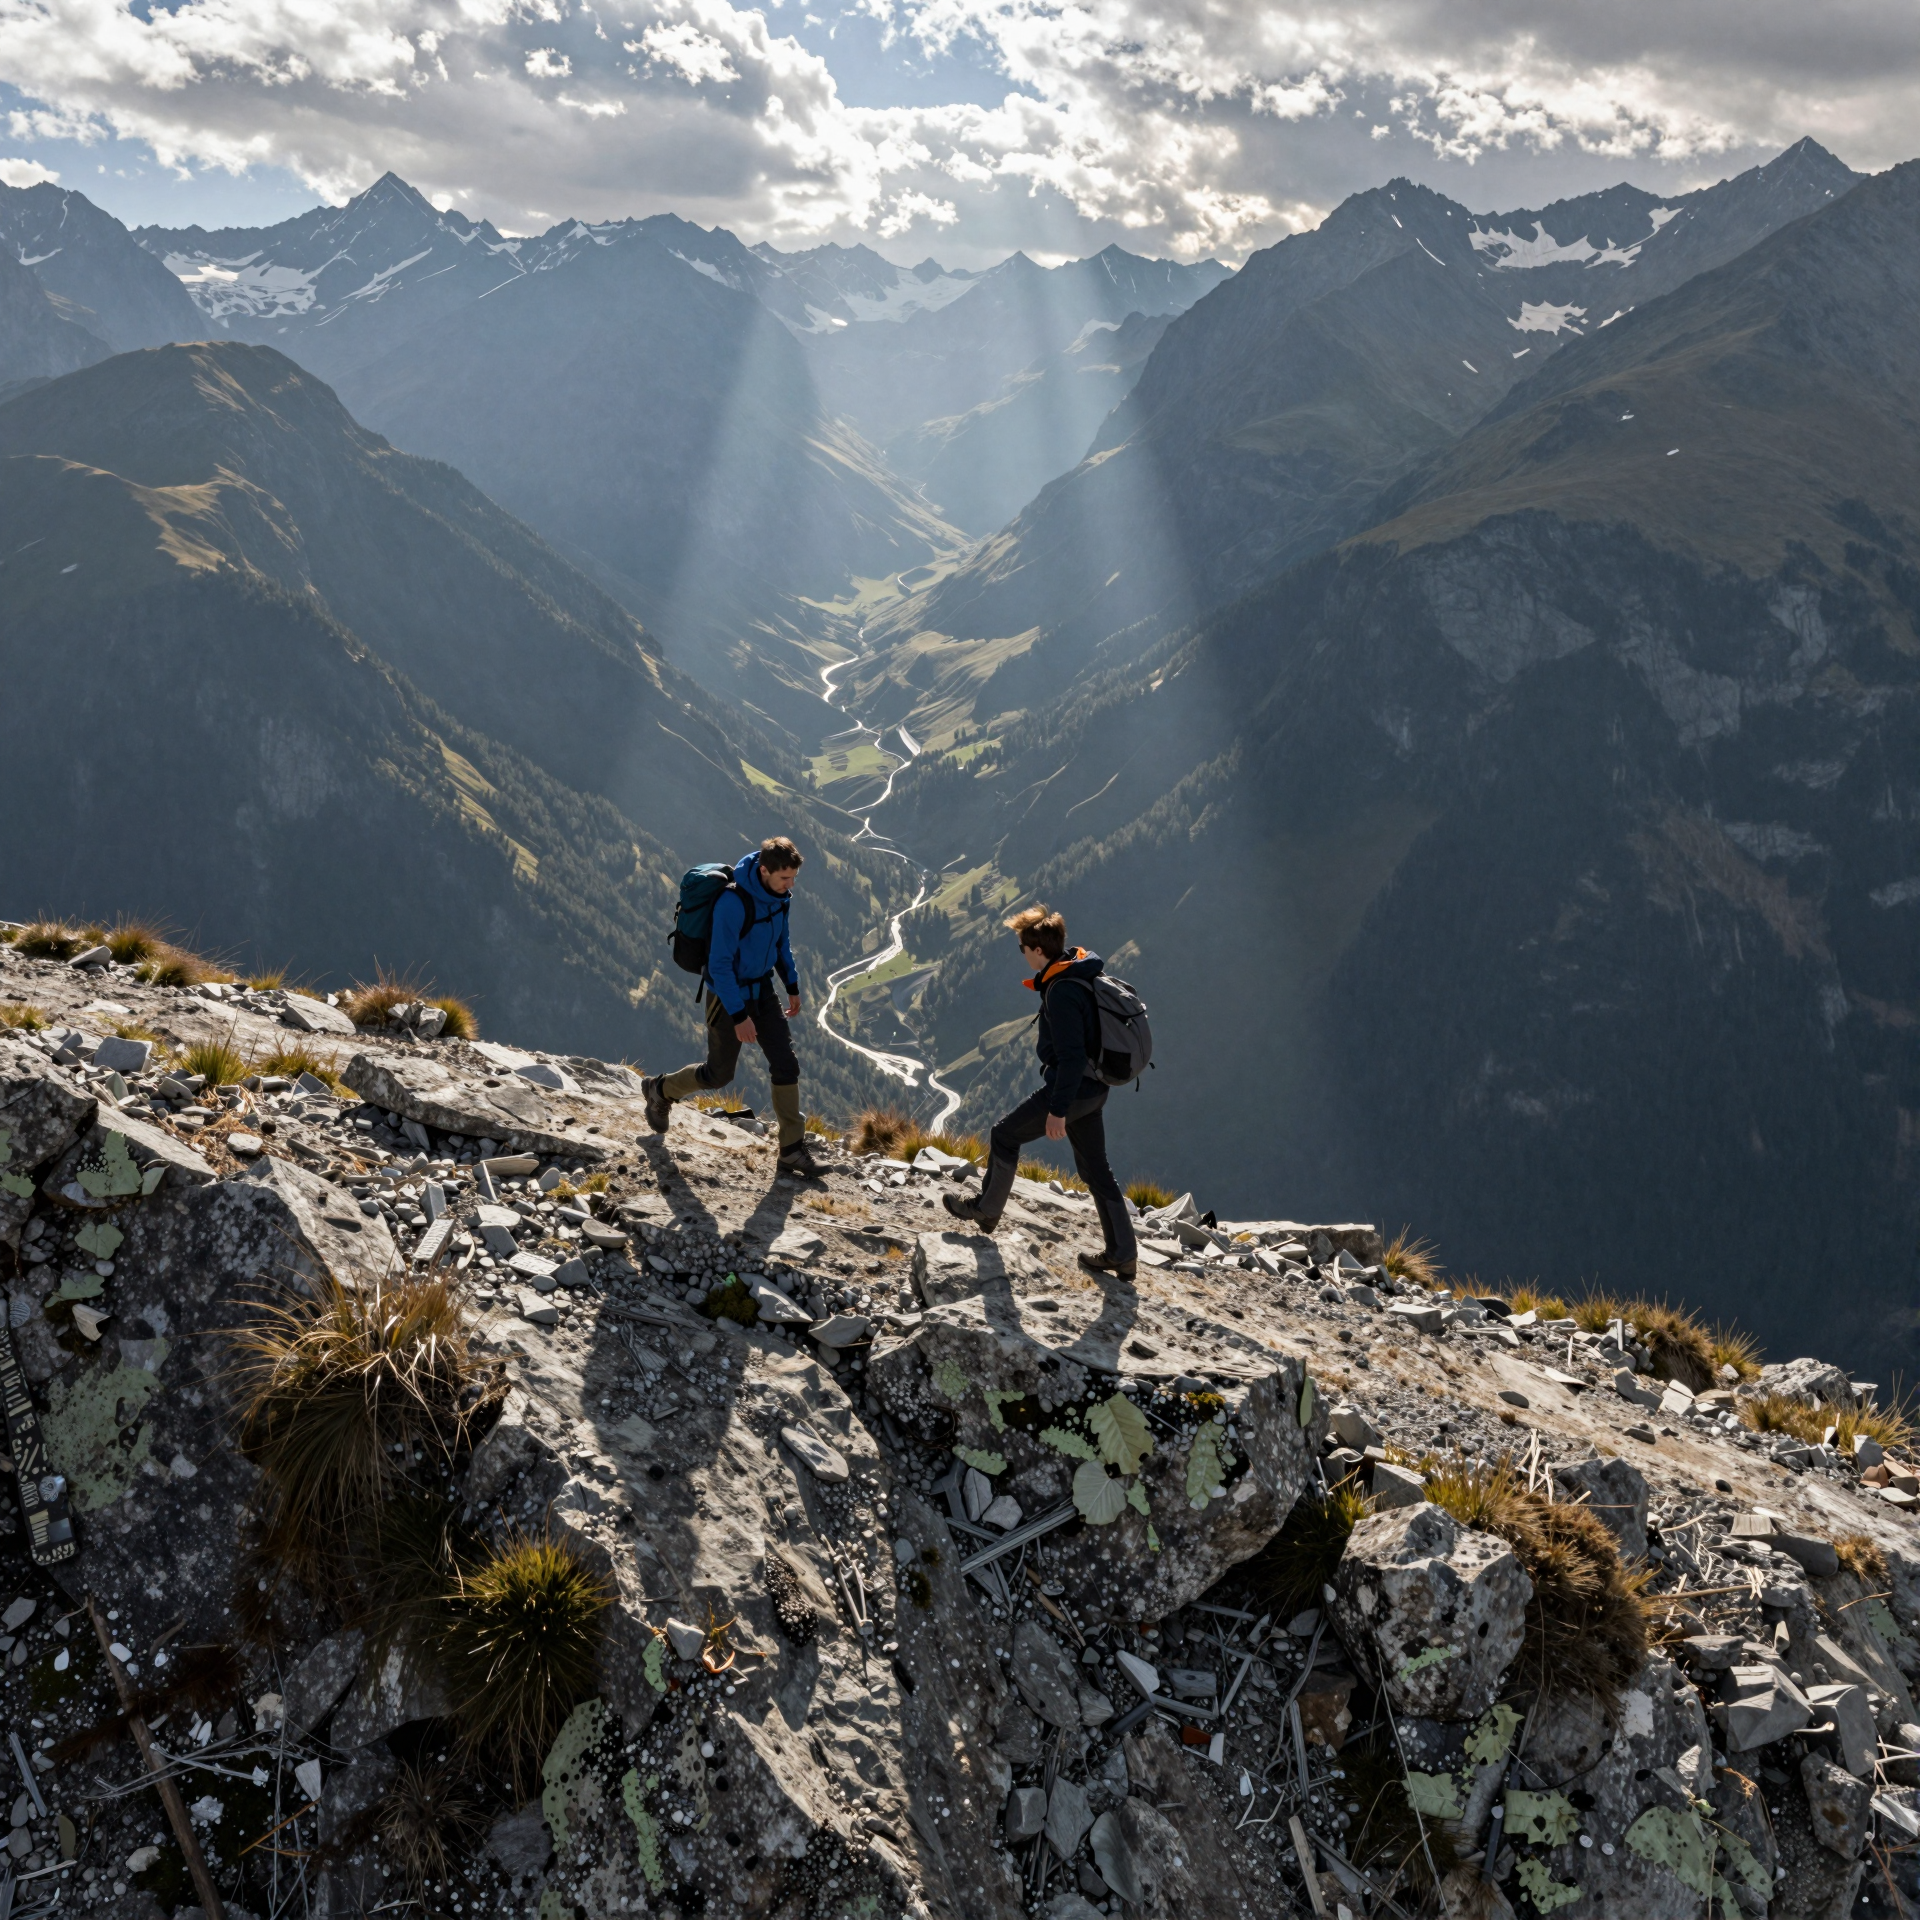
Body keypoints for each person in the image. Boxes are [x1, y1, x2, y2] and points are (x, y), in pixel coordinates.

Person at [943, 905, 1137, 1277]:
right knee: (1097, 1168)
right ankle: (1122, 1254)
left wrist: (1057, 1110)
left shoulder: (1062, 990)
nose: (1021, 954)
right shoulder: (1076, 970)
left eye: (1022, 948)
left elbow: (1071, 1057)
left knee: (1004, 1134)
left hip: (1073, 1089)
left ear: (1037, 950)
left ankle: (986, 1209)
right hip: (1095, 1089)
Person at [643, 836, 823, 1177]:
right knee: (719, 1073)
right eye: (785, 878)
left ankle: (791, 1151)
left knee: (785, 1064)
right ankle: (659, 1089)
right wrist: (739, 1015)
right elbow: (720, 965)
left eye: (794, 878)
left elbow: (782, 943)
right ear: (765, 870)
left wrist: (793, 986)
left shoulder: (781, 898)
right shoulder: (732, 902)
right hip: (726, 996)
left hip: (763, 990)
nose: (791, 885)